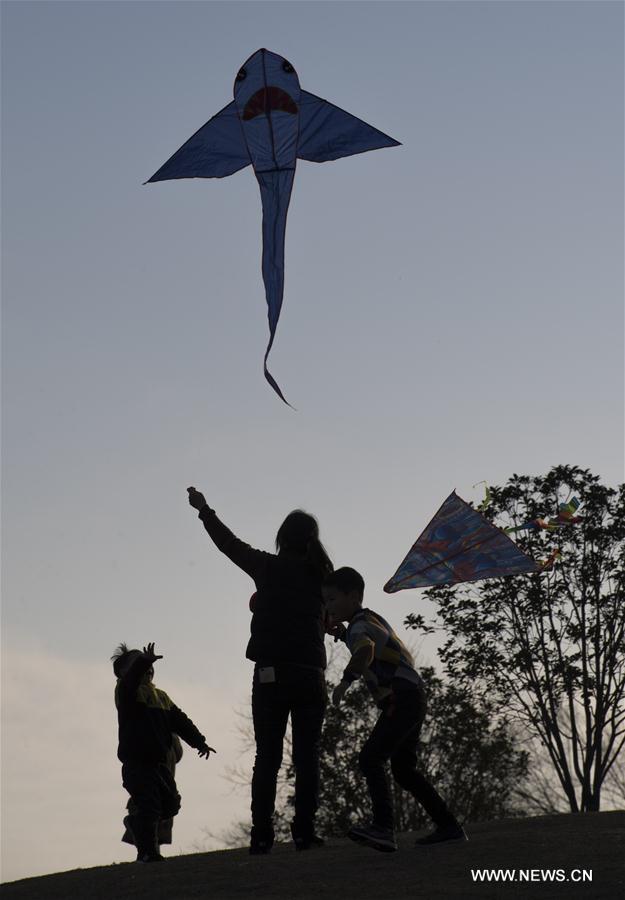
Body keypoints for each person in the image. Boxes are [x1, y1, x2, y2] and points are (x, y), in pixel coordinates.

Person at [187, 486, 332, 854]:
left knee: (267, 755)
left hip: (271, 673)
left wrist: (205, 509)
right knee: (307, 755)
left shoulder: (268, 567)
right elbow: (328, 617)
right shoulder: (322, 577)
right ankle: (304, 832)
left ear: (282, 538)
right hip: (309, 674)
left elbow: (229, 544)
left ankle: (262, 835)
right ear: (312, 541)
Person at [322, 567, 466, 852]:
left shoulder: (358, 628)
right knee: (403, 770)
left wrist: (345, 682)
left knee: (370, 759)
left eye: (332, 599)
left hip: (400, 698)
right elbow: (369, 640)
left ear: (353, 597)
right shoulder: (368, 618)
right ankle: (448, 825)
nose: (328, 606)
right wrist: (341, 634)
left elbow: (365, 650)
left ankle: (383, 828)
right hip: (413, 695)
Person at [112, 641, 215, 862]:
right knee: (149, 806)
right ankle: (147, 853)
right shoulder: (126, 692)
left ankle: (135, 823)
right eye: (138, 664)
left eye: (149, 665)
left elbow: (181, 722)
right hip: (136, 763)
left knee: (170, 804)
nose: (147, 668)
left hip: (159, 764)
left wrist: (199, 742)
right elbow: (131, 680)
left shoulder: (161, 697)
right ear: (122, 673)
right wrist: (143, 661)